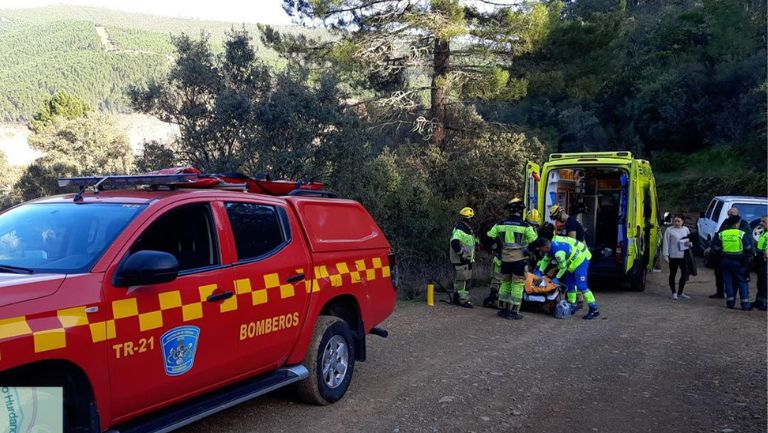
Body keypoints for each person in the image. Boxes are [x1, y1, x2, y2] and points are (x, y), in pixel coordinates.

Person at [486, 198, 538, 320]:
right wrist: (528, 251)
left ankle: (503, 310)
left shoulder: (500, 224)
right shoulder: (525, 226)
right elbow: (535, 241)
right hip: (519, 261)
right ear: (520, 211)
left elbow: (489, 236)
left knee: (505, 283)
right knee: (517, 285)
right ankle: (513, 312)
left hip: (505, 260)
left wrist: (497, 247)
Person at [530, 236, 600, 319]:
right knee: (570, 285)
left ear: (546, 247)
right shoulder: (550, 249)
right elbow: (545, 260)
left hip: (580, 262)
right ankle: (572, 305)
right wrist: (540, 271)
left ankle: (594, 308)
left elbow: (562, 268)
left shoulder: (558, 253)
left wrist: (556, 278)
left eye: (541, 249)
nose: (540, 251)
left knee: (582, 286)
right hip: (571, 264)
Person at [711, 215, 753, 310]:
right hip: (739, 261)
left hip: (725, 260)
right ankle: (745, 304)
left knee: (728, 282)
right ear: (736, 223)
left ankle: (730, 303)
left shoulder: (722, 234)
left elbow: (716, 248)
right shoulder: (741, 233)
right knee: (742, 281)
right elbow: (748, 248)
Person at [450, 207, 478, 308]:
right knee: (462, 280)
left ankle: (458, 298)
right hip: (461, 260)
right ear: (468, 219)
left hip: (467, 260)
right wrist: (462, 253)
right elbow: (454, 243)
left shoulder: (466, 229)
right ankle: (462, 300)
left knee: (464, 279)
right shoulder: (460, 230)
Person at [663, 214, 692, 300]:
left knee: (684, 275)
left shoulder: (686, 229)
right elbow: (666, 242)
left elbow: (689, 240)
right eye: (675, 221)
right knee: (673, 274)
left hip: (684, 256)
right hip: (673, 256)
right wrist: (665, 255)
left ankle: (680, 292)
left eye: (678, 221)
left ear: (683, 222)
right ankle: (674, 293)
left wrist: (690, 244)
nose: (676, 223)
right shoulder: (669, 230)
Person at [753, 216, 768, 311]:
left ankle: (765, 303)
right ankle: (759, 301)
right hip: (761, 260)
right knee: (760, 282)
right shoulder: (764, 232)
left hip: (766, 260)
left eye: (764, 221)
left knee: (765, 283)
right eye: (761, 221)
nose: (761, 223)